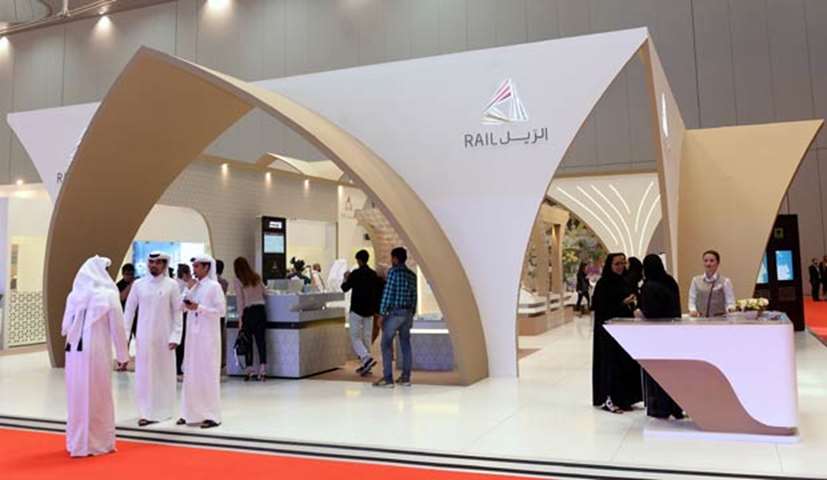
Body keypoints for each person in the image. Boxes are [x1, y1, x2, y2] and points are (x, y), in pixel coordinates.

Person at [62, 256, 129, 457]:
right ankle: (97, 442)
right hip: (96, 351)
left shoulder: (74, 295)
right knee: (98, 394)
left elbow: (65, 327)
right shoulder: (109, 295)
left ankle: (77, 442)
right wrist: (123, 355)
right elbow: (118, 328)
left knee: (77, 395)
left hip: (73, 352)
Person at [123, 252, 183, 427]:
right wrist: (124, 337)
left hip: (165, 339)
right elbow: (129, 311)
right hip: (143, 338)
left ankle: (163, 411)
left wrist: (176, 335)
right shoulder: (139, 285)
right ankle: (146, 412)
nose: (153, 265)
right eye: (151, 262)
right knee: (144, 375)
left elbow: (177, 312)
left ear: (164, 264)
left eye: (157, 262)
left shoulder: (172, 285)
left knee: (163, 375)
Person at [178, 255, 226, 428]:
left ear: (206, 267)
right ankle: (189, 413)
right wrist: (188, 291)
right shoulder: (194, 286)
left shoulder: (214, 287)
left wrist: (199, 308)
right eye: (194, 266)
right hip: (193, 337)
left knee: (207, 374)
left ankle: (211, 415)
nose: (194, 270)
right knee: (191, 373)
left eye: (197, 266)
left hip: (208, 337)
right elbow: (180, 306)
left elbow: (220, 311)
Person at [635, 254, 684, 420]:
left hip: (655, 335)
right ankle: (676, 407)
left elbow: (650, 312)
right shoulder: (670, 281)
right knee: (673, 371)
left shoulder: (649, 286)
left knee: (657, 372)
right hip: (673, 333)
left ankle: (660, 407)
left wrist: (639, 313)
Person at [591, 253, 642, 413]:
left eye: (623, 263)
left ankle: (624, 398)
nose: (620, 267)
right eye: (617, 264)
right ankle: (609, 398)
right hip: (608, 332)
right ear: (610, 265)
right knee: (610, 365)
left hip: (624, 331)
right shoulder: (603, 284)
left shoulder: (624, 281)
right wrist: (622, 303)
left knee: (624, 364)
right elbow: (600, 307)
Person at [373, 247, 417, 388]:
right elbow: (414, 297)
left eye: (392, 258)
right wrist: (411, 313)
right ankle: (406, 378)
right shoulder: (412, 275)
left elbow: (388, 294)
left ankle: (388, 379)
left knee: (386, 344)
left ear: (396, 259)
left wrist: (381, 314)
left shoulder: (393, 272)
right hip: (407, 313)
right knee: (405, 344)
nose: (391, 260)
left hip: (395, 313)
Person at [341, 250, 380, 376]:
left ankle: (366, 358)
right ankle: (366, 364)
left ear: (359, 260)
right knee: (367, 337)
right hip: (369, 311)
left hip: (356, 310)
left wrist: (345, 278)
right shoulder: (373, 274)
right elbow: (377, 292)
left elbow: (344, 288)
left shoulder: (355, 274)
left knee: (355, 337)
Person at [232, 256, 268, 382]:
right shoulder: (256, 277)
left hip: (248, 312)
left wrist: (240, 319)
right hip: (260, 311)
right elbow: (265, 292)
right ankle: (263, 370)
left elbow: (240, 301)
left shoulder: (238, 280)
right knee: (261, 341)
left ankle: (249, 369)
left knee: (248, 342)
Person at [688, 250, 735, 317]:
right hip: (700, 319)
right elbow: (692, 299)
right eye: (705, 261)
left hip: (720, 320)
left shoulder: (725, 281)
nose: (708, 264)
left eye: (712, 261)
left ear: (718, 263)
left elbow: (730, 302)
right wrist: (693, 310)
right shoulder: (695, 280)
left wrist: (730, 309)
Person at [175, 263, 194, 377]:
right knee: (181, 344)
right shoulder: (184, 286)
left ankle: (177, 366)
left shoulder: (173, 283)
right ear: (185, 274)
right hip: (182, 315)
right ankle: (178, 367)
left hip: (175, 316)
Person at [116, 263, 137, 347]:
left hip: (137, 316)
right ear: (123, 274)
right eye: (127, 274)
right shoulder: (119, 285)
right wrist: (130, 286)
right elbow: (122, 297)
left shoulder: (137, 284)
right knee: (125, 339)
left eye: (131, 274)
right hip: (124, 315)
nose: (130, 277)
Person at [216, 260, 229, 372]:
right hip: (221, 314)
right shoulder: (224, 282)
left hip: (213, 315)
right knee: (220, 337)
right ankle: (221, 361)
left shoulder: (213, 282)